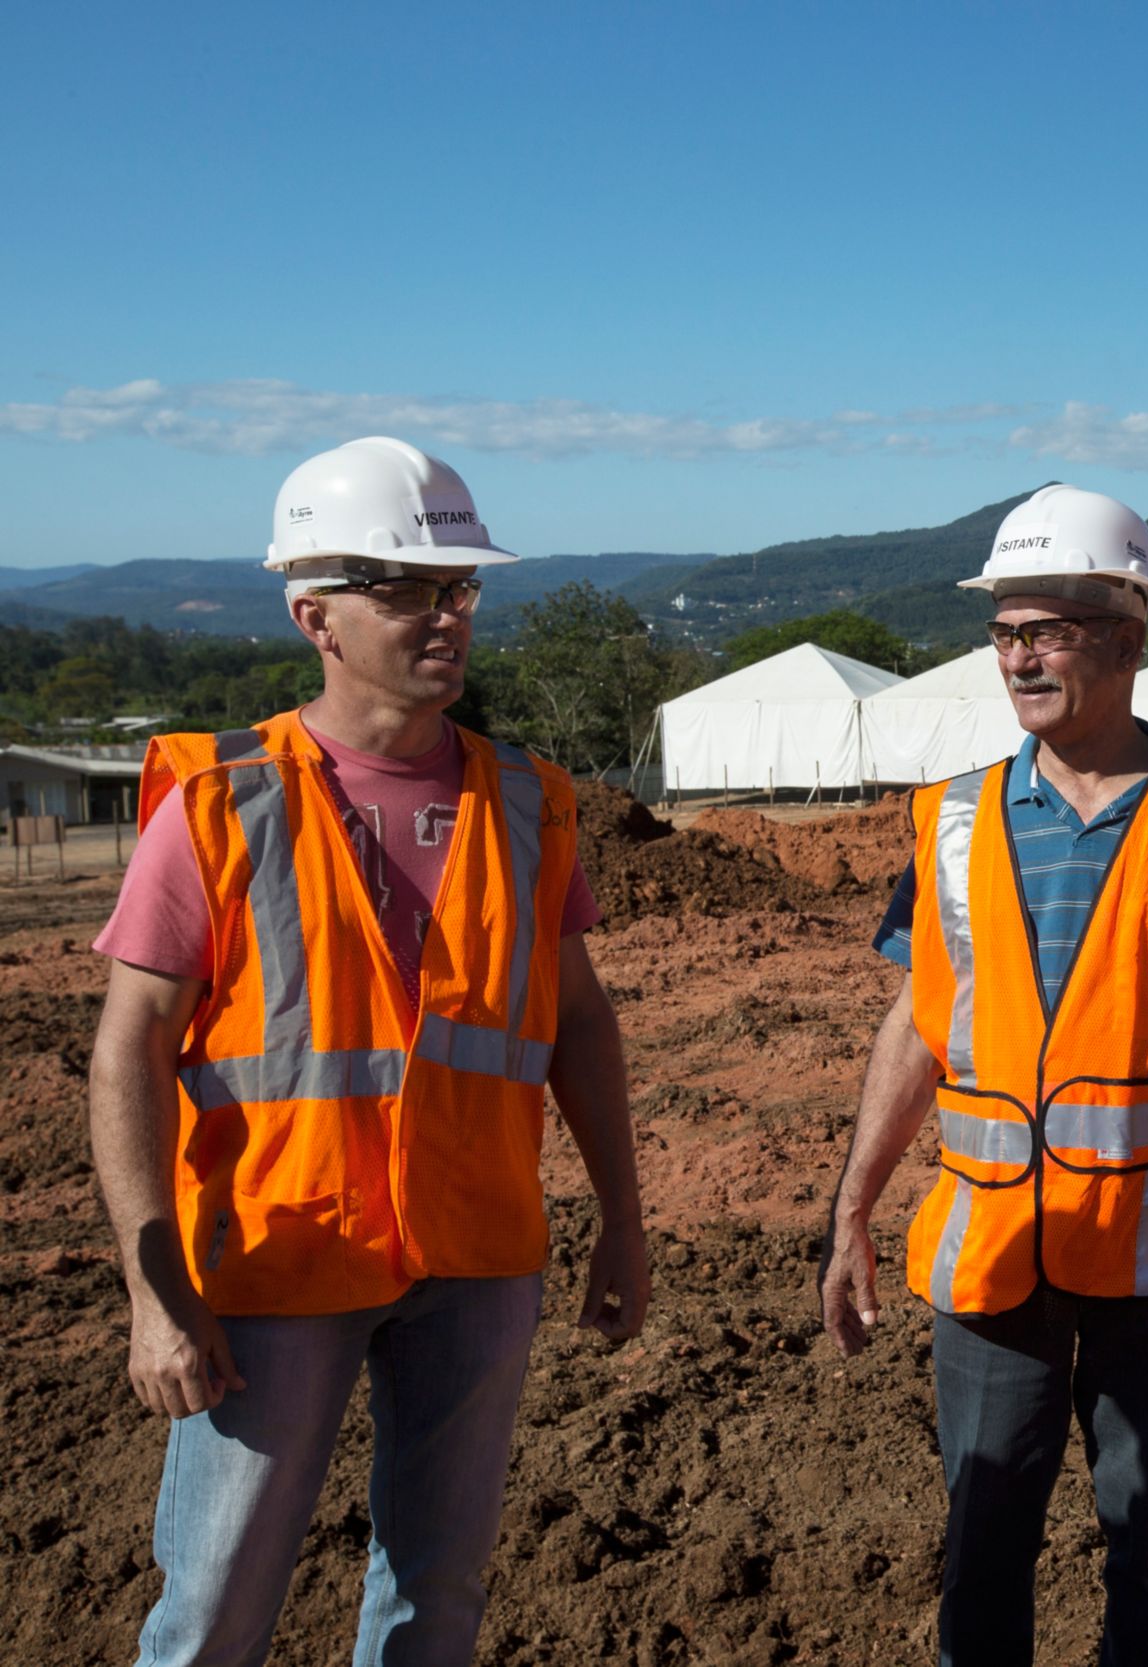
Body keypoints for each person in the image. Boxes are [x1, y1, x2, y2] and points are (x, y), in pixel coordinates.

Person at [88, 436, 650, 1667]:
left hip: (478, 1255)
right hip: (273, 1265)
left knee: (435, 1597)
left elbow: (578, 1020)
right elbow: (128, 1048)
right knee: (214, 1610)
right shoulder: (219, 798)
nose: (443, 615)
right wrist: (150, 1287)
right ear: (313, 615)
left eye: (456, 588)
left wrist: (621, 1211)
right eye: (403, 587)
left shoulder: (528, 798)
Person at [815, 484, 1148, 1667]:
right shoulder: (951, 819)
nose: (1020, 652)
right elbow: (916, 1021)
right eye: (1004, 630)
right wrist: (851, 1208)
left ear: (1129, 640)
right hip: (992, 1247)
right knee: (982, 1535)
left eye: (1050, 627)